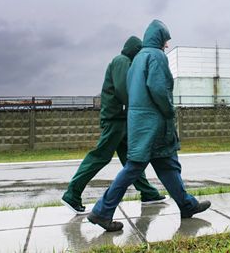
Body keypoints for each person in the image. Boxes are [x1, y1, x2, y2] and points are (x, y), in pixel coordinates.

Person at [87, 20, 211, 231]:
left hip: (139, 122)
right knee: (134, 168)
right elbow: (158, 89)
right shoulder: (156, 56)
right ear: (160, 38)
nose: (167, 46)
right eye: (166, 40)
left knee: (167, 165)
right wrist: (170, 110)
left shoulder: (136, 60)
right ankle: (101, 211)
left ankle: (187, 205)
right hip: (154, 123)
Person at [61, 36, 165, 214]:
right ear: (135, 51)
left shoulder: (126, 62)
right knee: (100, 156)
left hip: (121, 119)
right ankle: (72, 194)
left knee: (133, 160)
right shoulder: (121, 61)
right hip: (115, 119)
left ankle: (148, 193)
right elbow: (124, 90)